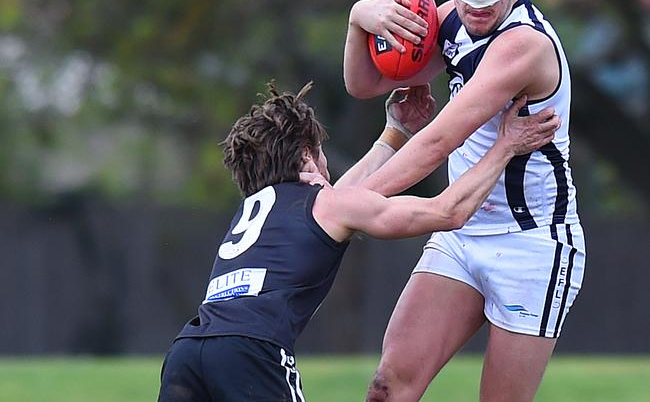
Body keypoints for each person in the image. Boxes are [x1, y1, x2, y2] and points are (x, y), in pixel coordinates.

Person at [157, 79, 559, 402]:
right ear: (307, 157)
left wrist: (395, 133)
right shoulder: (326, 206)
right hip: (250, 352)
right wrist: (505, 146)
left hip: (187, 352)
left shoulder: (263, 207)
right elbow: (448, 212)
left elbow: (345, 195)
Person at [342, 0, 586, 402]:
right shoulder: (450, 18)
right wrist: (357, 18)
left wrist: (345, 204)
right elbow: (364, 84)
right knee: (387, 388)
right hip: (461, 235)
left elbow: (437, 141)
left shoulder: (523, 44)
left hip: (531, 244)